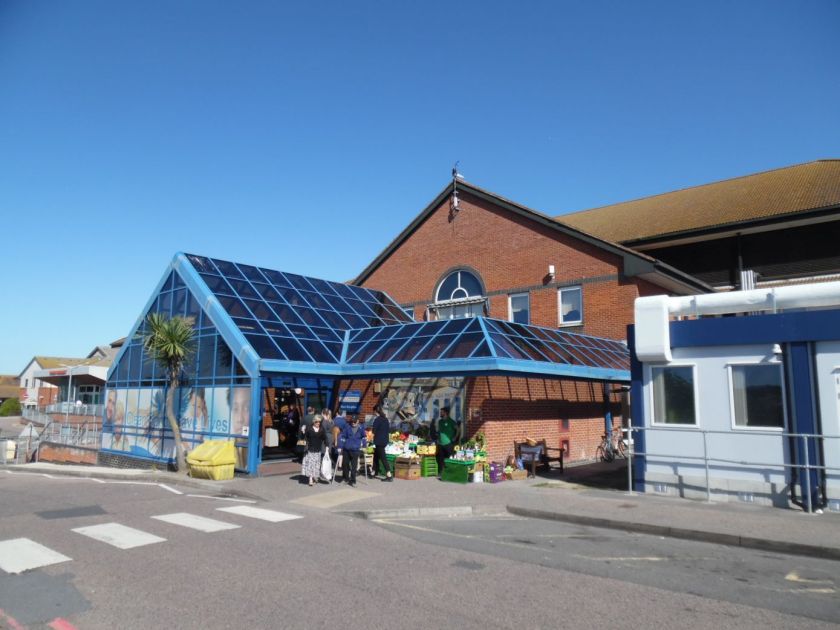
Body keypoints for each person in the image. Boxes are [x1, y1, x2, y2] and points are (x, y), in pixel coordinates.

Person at [338, 415, 367, 487]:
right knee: (345, 464)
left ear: (358, 421)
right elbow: (342, 437)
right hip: (346, 449)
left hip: (355, 450)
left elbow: (364, 437)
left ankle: (353, 480)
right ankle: (346, 478)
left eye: (354, 421)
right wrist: (340, 446)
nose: (353, 423)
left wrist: (364, 446)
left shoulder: (361, 428)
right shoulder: (347, 427)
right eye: (352, 421)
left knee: (354, 466)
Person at [301, 415, 327, 486]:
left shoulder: (321, 429)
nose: (318, 423)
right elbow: (305, 438)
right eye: (316, 422)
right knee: (311, 465)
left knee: (316, 464)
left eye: (319, 422)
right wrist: (303, 432)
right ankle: (310, 479)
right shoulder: (309, 428)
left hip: (318, 450)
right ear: (314, 422)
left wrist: (327, 446)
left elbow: (325, 438)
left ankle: (314, 477)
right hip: (310, 449)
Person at [435, 406, 459, 476]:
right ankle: (441, 472)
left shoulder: (451, 421)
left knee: (450, 458)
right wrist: (438, 439)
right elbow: (439, 431)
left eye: (441, 412)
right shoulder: (440, 421)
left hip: (449, 444)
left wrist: (455, 437)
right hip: (440, 444)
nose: (440, 413)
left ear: (445, 413)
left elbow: (458, 429)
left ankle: (451, 472)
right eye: (440, 412)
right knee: (440, 459)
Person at [371, 405, 393, 482]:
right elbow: (388, 430)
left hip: (379, 441)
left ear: (375, 411)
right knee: (376, 456)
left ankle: (389, 475)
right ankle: (374, 471)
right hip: (385, 440)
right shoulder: (385, 419)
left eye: (373, 411)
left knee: (383, 458)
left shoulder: (377, 420)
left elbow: (373, 431)